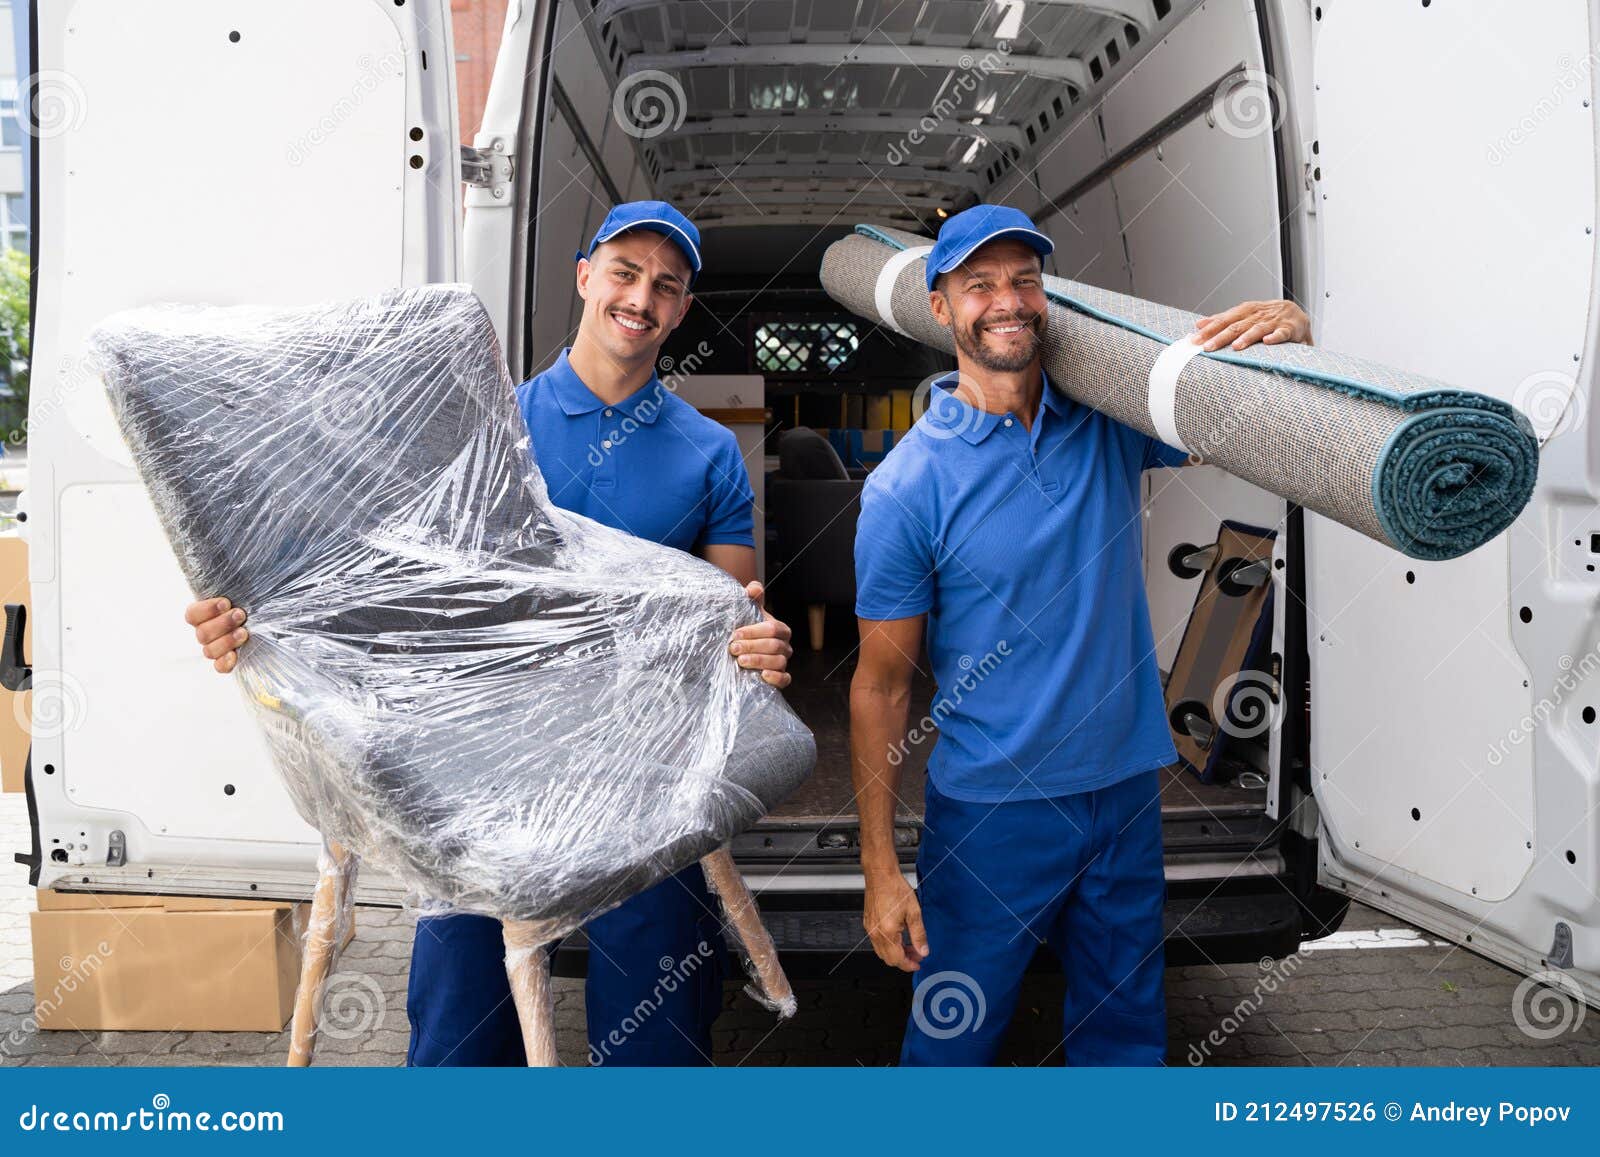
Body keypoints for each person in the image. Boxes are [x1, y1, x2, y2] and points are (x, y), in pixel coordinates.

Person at [184, 201, 795, 1066]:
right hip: (476, 782)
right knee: (458, 1044)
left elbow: (730, 618)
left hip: (644, 781)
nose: (641, 297)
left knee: (659, 1046)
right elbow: (377, 591)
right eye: (624, 272)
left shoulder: (708, 452)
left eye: (667, 285)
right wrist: (251, 629)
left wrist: (759, 647)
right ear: (585, 277)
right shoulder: (481, 428)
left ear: (682, 309)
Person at [848, 203, 1311, 1065]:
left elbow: (1246, 421)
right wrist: (880, 869)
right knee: (953, 1043)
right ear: (941, 308)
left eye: (1025, 279)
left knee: (1127, 1035)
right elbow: (880, 685)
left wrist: (1289, 334)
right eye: (979, 284)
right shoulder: (909, 487)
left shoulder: (1104, 423)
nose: (1007, 300)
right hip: (993, 812)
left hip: (1126, 792)